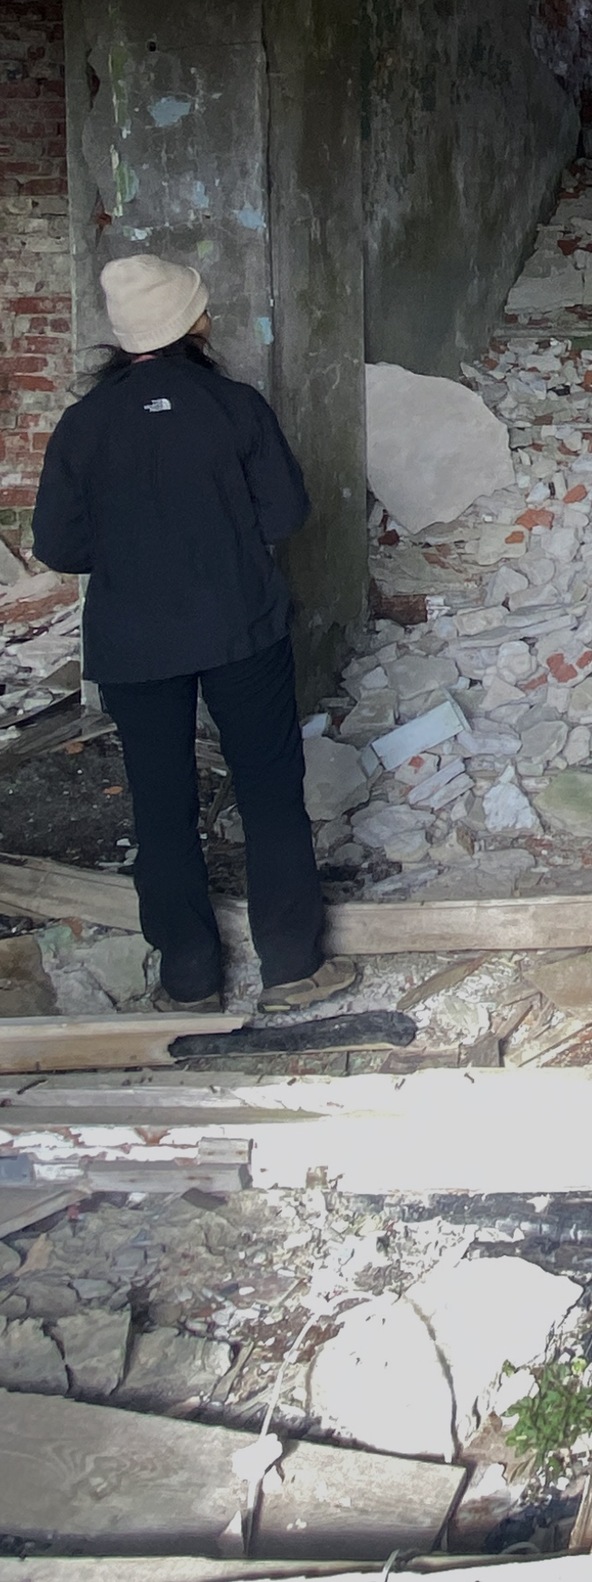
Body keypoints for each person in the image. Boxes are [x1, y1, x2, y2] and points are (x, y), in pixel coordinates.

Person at [31, 254, 358, 1016]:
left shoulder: (82, 426)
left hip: (134, 643)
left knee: (160, 800)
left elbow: (60, 546)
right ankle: (291, 969)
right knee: (270, 789)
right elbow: (284, 516)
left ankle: (187, 979)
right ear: (194, 323)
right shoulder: (235, 407)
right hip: (240, 625)